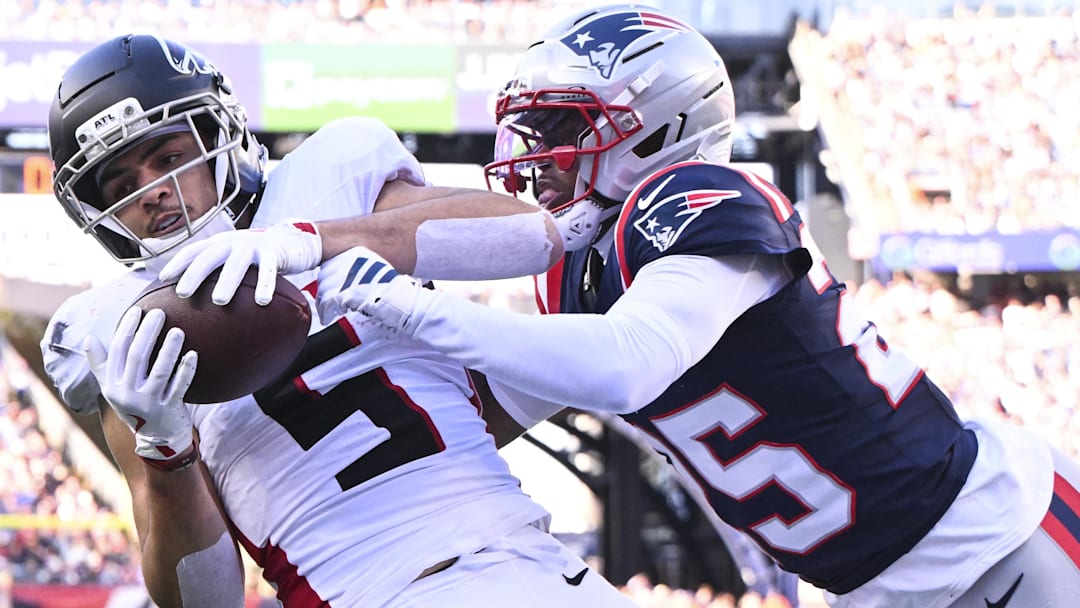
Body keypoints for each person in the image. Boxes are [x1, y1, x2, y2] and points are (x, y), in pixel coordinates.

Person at [305, 5, 1080, 608]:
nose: (535, 151)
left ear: (659, 125)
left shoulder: (697, 198)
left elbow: (626, 364)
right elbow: (480, 414)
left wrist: (408, 302)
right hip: (868, 583)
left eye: (562, 125)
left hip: (993, 531)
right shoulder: (579, 267)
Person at [39, 34, 640, 608]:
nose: (152, 192)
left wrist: (310, 242)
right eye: (122, 185)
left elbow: (529, 236)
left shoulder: (327, 184)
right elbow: (207, 600)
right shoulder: (124, 335)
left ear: (216, 135)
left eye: (169, 157)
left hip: (535, 560)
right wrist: (164, 450)